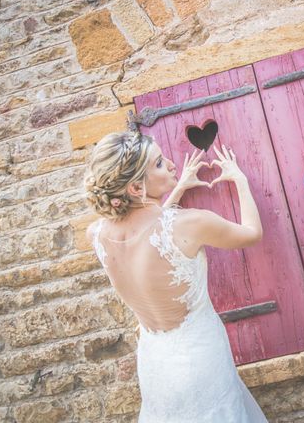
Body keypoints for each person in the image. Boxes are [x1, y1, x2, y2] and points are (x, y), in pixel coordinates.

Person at [84, 131, 268, 422]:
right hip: (201, 358)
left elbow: (149, 237)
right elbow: (252, 234)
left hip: (155, 365)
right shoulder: (191, 223)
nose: (171, 164)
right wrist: (240, 180)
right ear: (135, 188)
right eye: (159, 164)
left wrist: (177, 188)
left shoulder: (97, 235)